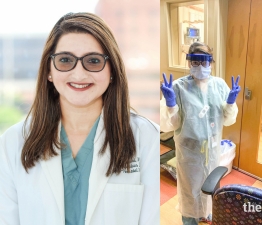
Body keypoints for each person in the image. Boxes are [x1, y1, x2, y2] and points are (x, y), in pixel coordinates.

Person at [0, 12, 159, 225]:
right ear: (49, 70)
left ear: (112, 70)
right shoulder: (12, 142)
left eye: (93, 61)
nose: (79, 73)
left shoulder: (147, 138)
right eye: (65, 60)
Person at [160, 42, 240, 225]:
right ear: (189, 63)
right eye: (195, 62)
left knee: (210, 186)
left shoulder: (219, 85)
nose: (200, 67)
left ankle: (207, 214)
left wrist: (230, 102)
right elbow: (169, 125)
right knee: (190, 190)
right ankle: (189, 220)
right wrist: (171, 104)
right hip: (189, 153)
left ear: (211, 63)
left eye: (204, 62)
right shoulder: (178, 87)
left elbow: (228, 119)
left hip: (212, 151)